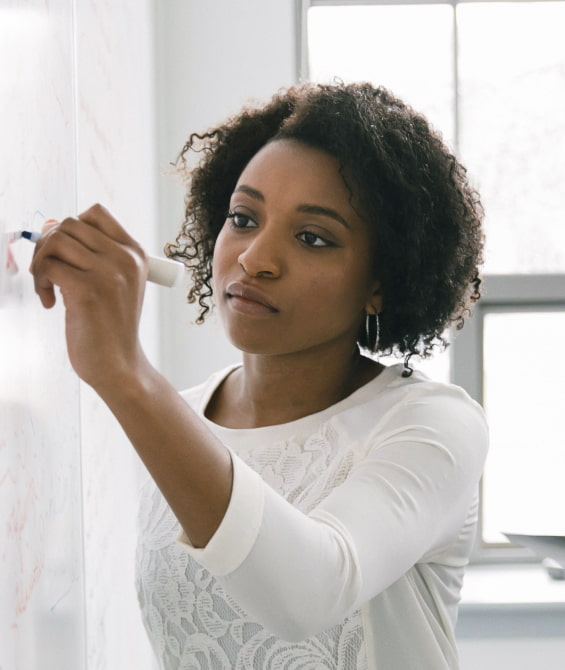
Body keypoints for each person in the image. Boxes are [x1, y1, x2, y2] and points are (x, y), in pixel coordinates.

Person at [31, 82, 488, 670]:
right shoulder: (182, 416)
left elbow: (311, 592)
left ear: (381, 282)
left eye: (312, 238)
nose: (254, 259)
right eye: (243, 218)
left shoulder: (434, 425)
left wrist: (126, 375)